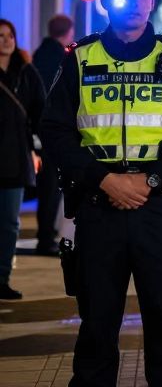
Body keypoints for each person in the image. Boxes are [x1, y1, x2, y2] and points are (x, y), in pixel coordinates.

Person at [39, 0, 162, 387]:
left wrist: (151, 179)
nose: (134, 2)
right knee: (97, 328)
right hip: (99, 208)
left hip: (159, 208)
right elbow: (55, 129)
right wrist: (103, 179)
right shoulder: (79, 59)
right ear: (104, 1)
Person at [0, 19, 45, 299]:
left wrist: (37, 148)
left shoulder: (26, 71)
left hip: (15, 159)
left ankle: (2, 278)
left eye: (10, 35)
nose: (6, 40)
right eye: (0, 36)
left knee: (9, 223)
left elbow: (40, 111)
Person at [31, 14, 75, 256]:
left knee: (46, 187)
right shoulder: (61, 57)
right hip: (53, 131)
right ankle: (45, 237)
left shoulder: (39, 53)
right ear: (68, 32)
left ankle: (45, 234)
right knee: (51, 188)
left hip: (39, 129)